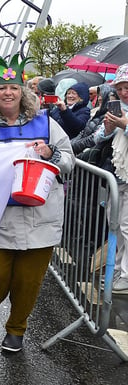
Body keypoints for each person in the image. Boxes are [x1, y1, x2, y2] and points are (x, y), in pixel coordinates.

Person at [0, 54, 75, 352]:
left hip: (40, 215)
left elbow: (70, 160)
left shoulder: (47, 123)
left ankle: (16, 329)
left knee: (27, 280)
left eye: (14, 87)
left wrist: (51, 154)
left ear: (24, 91)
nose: (8, 92)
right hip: (0, 215)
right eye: (2, 88)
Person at [92, 63, 128, 294]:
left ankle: (126, 274)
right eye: (121, 88)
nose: (125, 92)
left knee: (126, 225)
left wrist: (124, 124)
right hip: (117, 176)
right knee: (115, 223)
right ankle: (118, 268)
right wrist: (107, 127)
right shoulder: (117, 108)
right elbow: (97, 138)